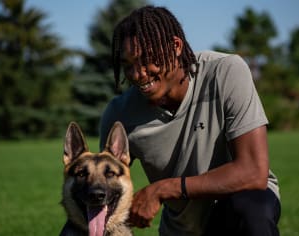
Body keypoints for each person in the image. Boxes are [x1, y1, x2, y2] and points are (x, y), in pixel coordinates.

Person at [99, 5, 281, 236]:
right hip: (183, 230)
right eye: (128, 65)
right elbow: (104, 190)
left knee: (252, 206)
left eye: (146, 59)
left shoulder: (224, 72)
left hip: (238, 213)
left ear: (176, 46)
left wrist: (163, 189)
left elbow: (254, 172)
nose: (138, 74)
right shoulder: (120, 114)